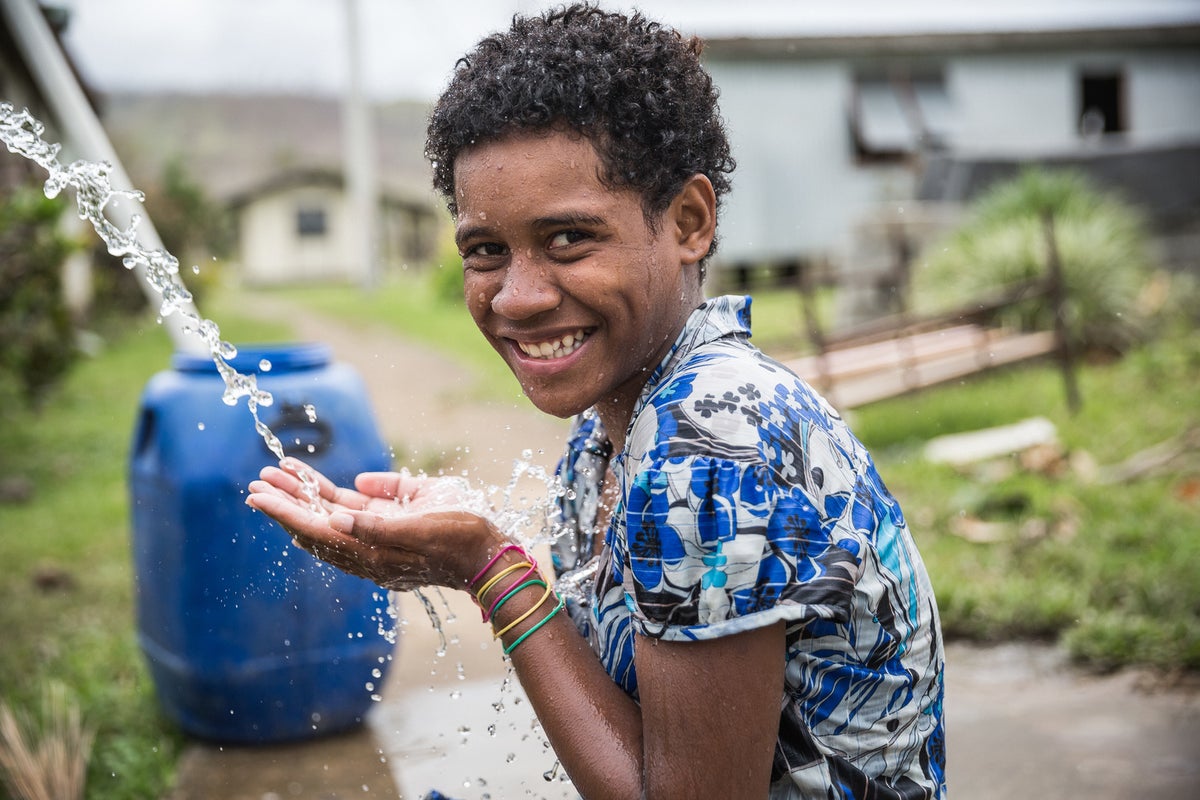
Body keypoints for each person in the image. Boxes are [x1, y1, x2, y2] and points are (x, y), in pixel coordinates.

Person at [246, 4, 946, 798]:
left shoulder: (710, 442)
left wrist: (490, 567)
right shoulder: (614, 426)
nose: (517, 296)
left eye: (569, 239)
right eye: (485, 251)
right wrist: (489, 551)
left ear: (689, 221)